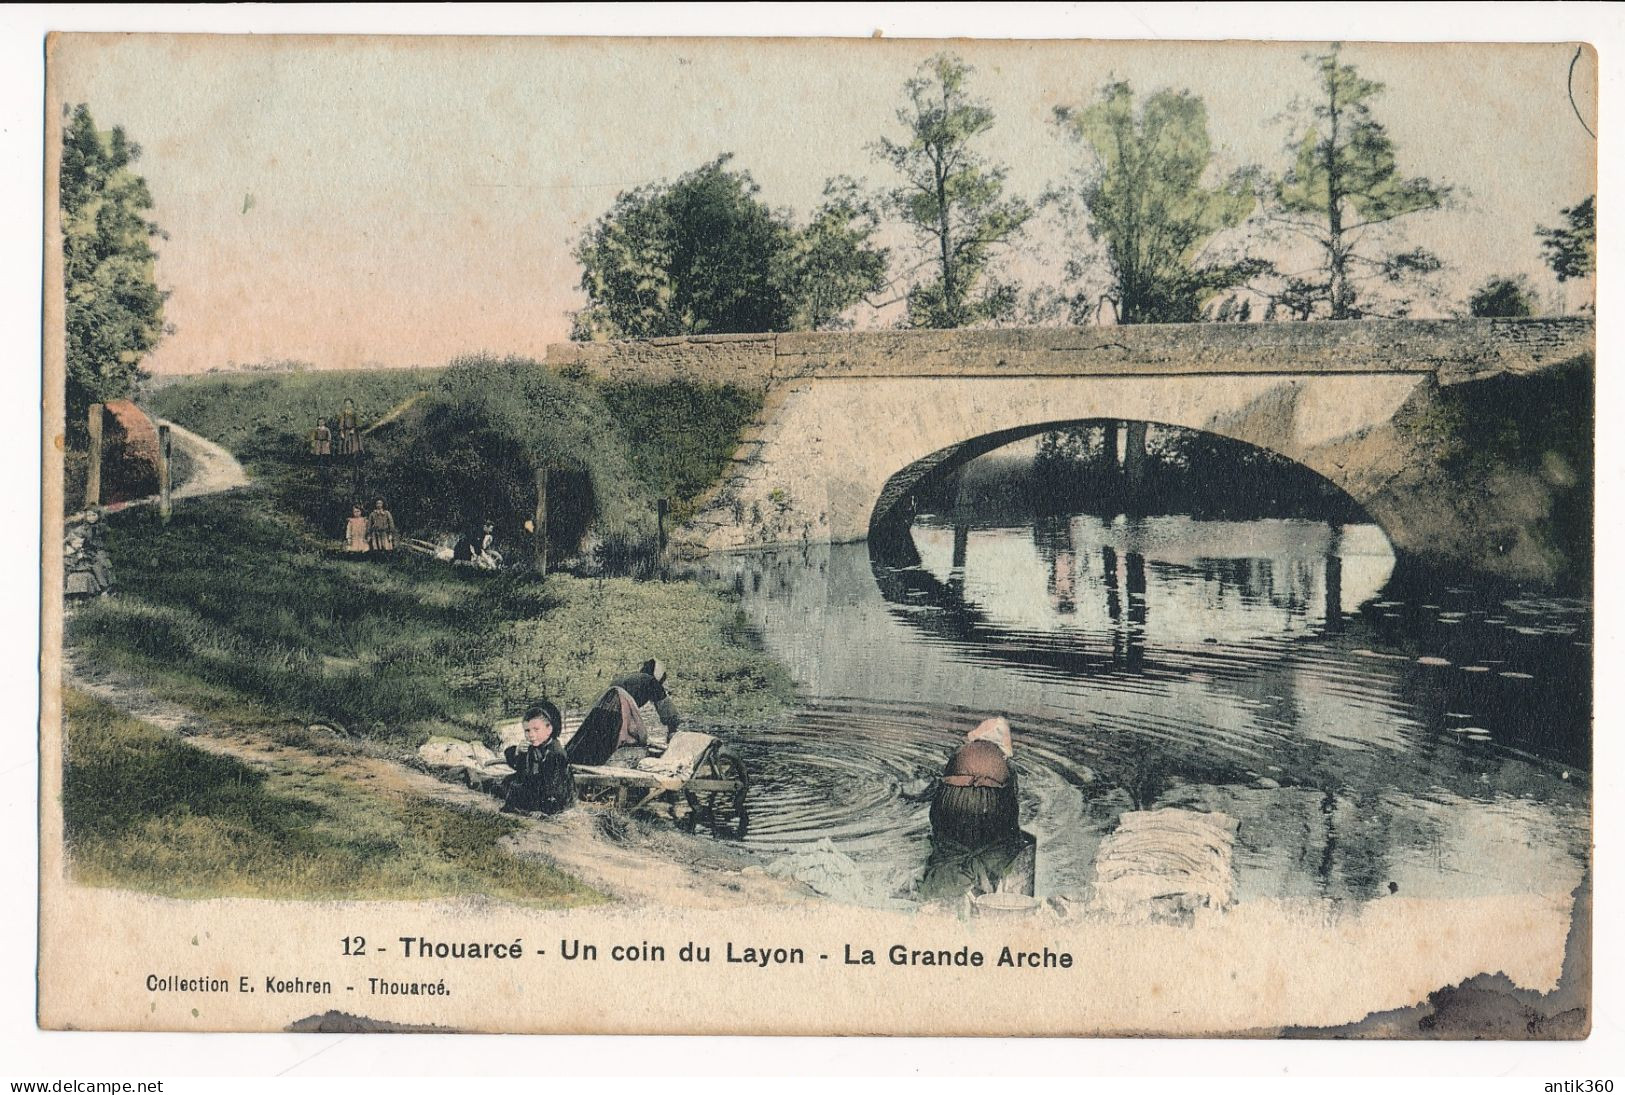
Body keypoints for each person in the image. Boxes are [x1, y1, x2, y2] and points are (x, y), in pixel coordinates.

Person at [919, 717, 1034, 902]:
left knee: (946, 848)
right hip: (991, 805)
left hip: (953, 799)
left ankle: (941, 887)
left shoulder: (962, 754)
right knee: (1005, 849)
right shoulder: (1005, 764)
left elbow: (937, 816)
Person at [564, 659, 683, 767]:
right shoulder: (651, 681)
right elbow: (667, 709)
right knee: (623, 740)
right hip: (618, 709)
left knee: (594, 743)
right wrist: (672, 730)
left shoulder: (630, 678)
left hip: (601, 708)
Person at [500, 700, 574, 815]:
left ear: (549, 729)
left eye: (536, 729)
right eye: (527, 731)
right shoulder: (535, 746)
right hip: (539, 787)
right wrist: (518, 751)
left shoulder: (556, 753)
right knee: (507, 782)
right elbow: (520, 768)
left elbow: (555, 788)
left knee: (513, 788)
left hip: (552, 796)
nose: (531, 735)